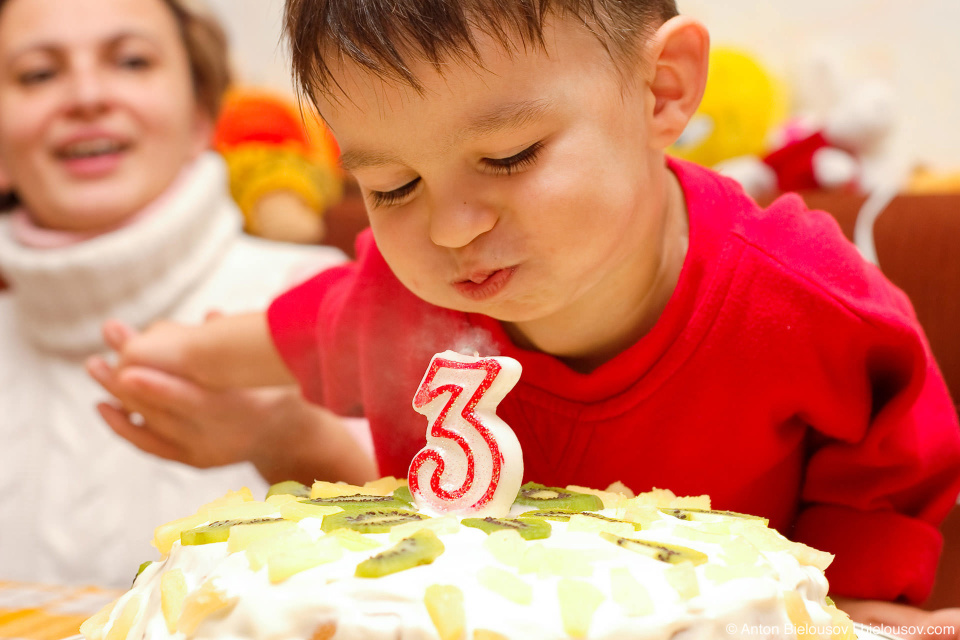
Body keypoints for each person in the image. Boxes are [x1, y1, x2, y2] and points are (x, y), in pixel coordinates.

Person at [93, 0, 960, 635]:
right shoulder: (403, 299)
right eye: (392, 187)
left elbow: (895, 444)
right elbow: (293, 334)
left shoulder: (794, 292)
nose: (450, 227)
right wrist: (170, 354)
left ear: (661, 90)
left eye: (508, 158)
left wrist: (855, 595)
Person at [0, 0, 366, 589]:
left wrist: (289, 441)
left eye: (132, 61)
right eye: (39, 74)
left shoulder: (323, 300)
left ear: (202, 117)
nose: (87, 96)